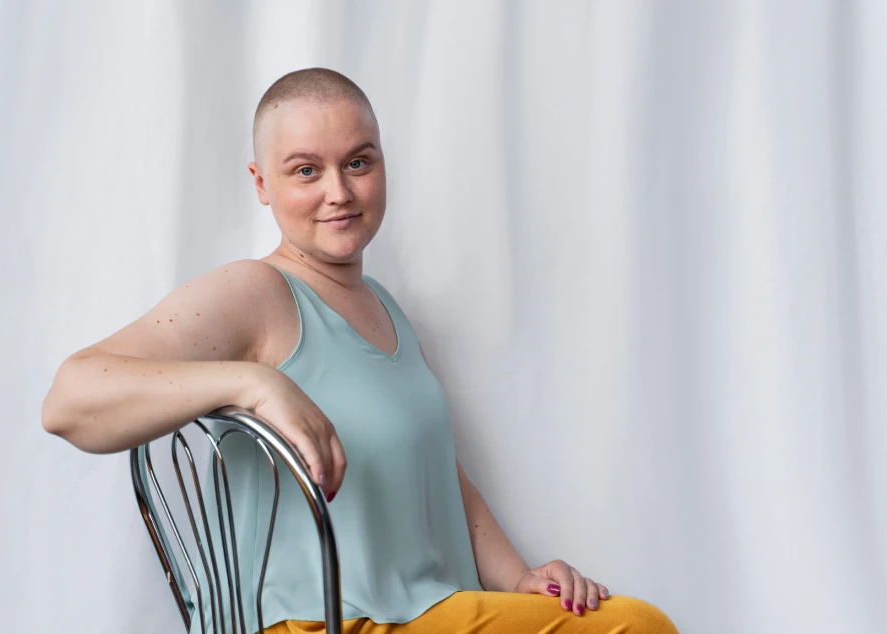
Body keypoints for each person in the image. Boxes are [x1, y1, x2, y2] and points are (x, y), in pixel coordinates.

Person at [42, 67, 678, 634]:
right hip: (317, 620)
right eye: (306, 170)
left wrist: (519, 581)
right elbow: (70, 399)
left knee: (626, 621)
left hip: (419, 611)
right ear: (262, 184)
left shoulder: (383, 306)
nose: (339, 192)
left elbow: (443, 481)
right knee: (637, 631)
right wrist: (254, 384)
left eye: (358, 162)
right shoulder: (256, 292)